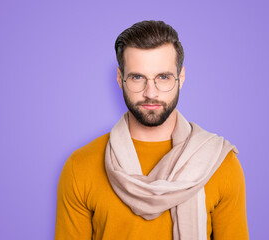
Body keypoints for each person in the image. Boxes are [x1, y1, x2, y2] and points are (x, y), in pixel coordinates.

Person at [54, 20, 249, 240]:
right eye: (138, 77)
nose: (151, 93)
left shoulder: (220, 163)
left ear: (181, 78)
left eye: (163, 77)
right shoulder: (80, 166)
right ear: (120, 79)